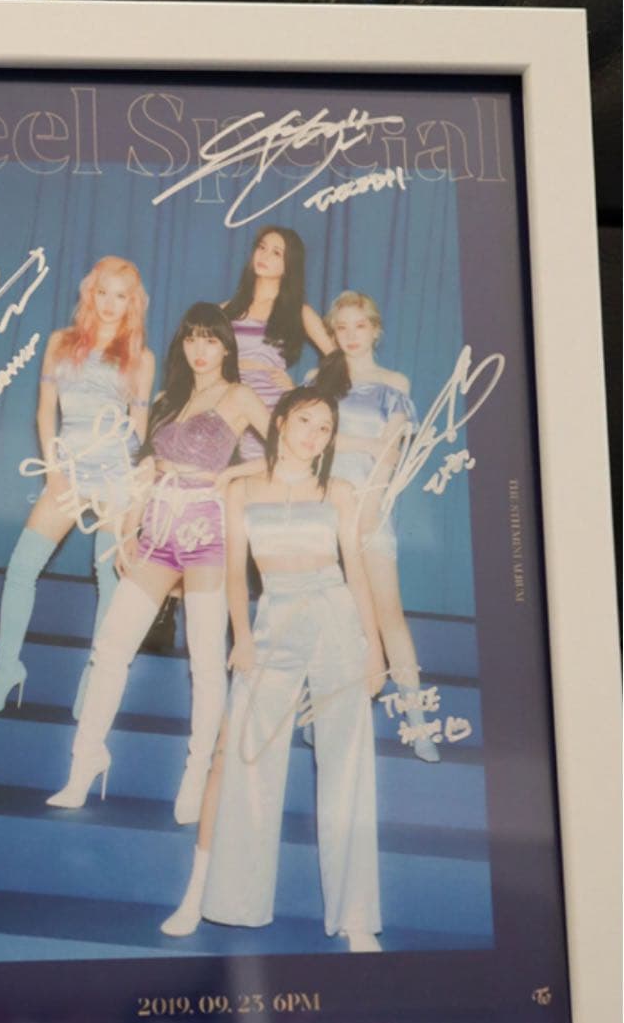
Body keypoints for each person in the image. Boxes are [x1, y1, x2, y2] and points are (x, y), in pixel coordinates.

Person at [161, 387, 384, 947]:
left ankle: (357, 920)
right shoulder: (242, 490)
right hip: (274, 620)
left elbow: (357, 573)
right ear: (281, 421)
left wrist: (374, 649)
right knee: (248, 760)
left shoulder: (339, 491)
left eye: (325, 428)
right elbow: (236, 574)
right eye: (305, 421)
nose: (314, 435)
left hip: (335, 617)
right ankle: (233, 904)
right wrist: (242, 637)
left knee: (347, 766)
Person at [46, 303, 270, 823]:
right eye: (191, 339)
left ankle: (196, 777)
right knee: (110, 648)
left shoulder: (238, 396)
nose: (199, 349)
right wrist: (128, 527)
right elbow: (145, 467)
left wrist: (232, 475)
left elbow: (284, 452)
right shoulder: (172, 398)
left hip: (206, 532)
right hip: (157, 531)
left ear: (226, 346)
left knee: (206, 663)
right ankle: (85, 762)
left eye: (210, 339)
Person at [0, 257, 155, 712]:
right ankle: (6, 671)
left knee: (109, 579)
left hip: (114, 473)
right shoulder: (61, 342)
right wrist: (53, 471)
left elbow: (140, 428)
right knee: (21, 568)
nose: (109, 303)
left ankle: (93, 684)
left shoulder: (141, 357)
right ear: (90, 293)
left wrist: (132, 493)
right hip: (68, 469)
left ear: (132, 303)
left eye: (120, 296)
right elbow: (44, 411)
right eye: (103, 292)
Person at [316, 289, 438, 762]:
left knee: (389, 615)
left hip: (369, 508)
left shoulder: (393, 383)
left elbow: (389, 453)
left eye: (359, 326)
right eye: (341, 327)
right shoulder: (318, 380)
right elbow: (313, 443)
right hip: (323, 510)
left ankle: (418, 724)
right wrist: (360, 445)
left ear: (375, 330)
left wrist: (368, 506)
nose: (351, 336)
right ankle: (320, 717)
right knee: (331, 617)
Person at [222, 226, 334, 459]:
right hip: (227, 399)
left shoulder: (299, 312)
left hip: (269, 403)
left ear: (289, 264)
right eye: (261, 247)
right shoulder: (225, 310)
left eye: (276, 253)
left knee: (264, 469)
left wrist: (301, 392)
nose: (264, 256)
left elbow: (338, 361)